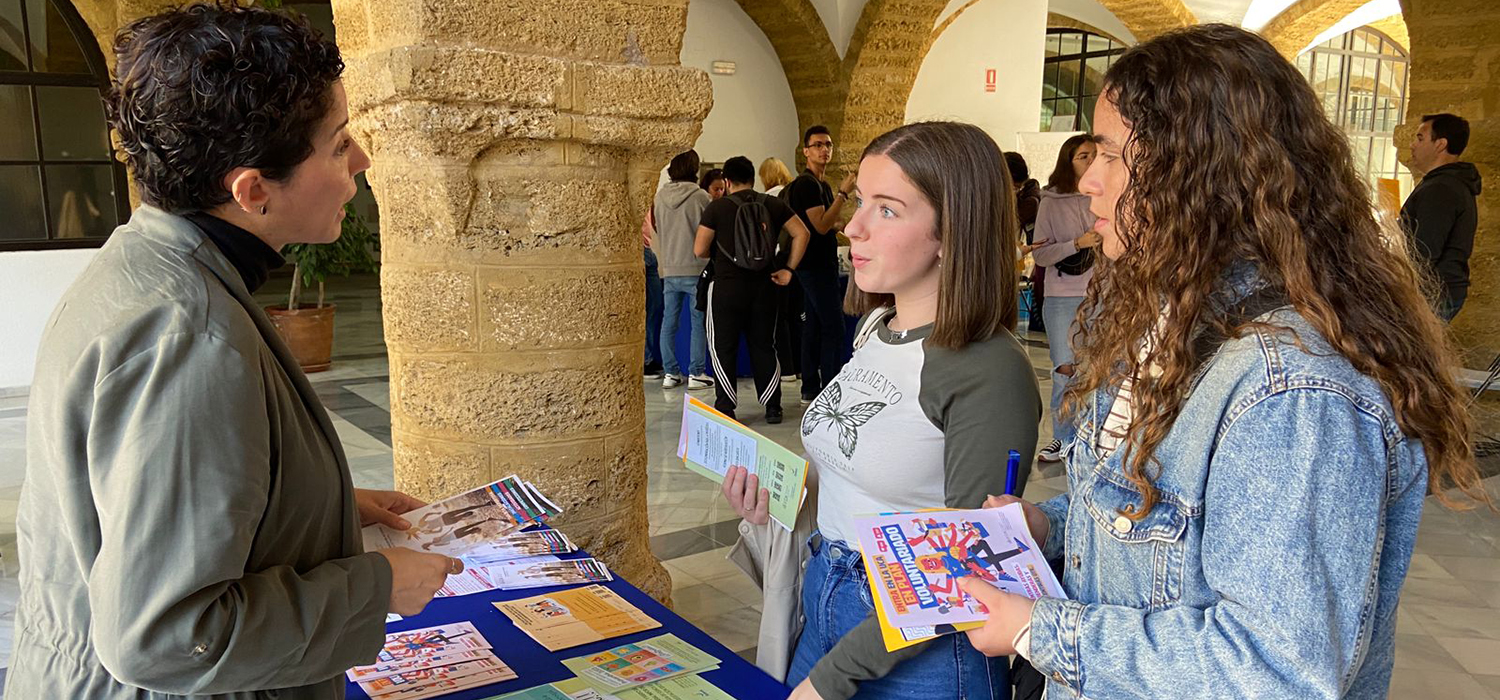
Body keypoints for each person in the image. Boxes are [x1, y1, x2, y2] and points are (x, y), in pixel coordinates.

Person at [958, 25, 1489, 700]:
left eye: (1113, 155)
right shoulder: (1173, 317)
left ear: (1199, 173)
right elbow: (1160, 522)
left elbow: (1276, 668)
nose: (1089, 180)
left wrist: (1039, 631)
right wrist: (1052, 525)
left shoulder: (1293, 389)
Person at [9, 5, 459, 698]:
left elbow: (138, 507)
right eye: (338, 145)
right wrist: (377, 587)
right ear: (252, 191)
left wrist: (319, 508)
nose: (361, 162)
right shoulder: (190, 338)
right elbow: (166, 636)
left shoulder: (145, 260)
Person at [722, 122, 1042, 700]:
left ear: (954, 230)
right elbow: (859, 465)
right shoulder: (876, 327)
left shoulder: (988, 368)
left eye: (887, 210)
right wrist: (779, 495)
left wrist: (829, 681)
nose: (854, 227)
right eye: (862, 202)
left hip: (923, 650)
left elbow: (962, 564)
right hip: (829, 595)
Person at [696, 156, 810, 422]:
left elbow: (699, 249)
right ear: (752, 178)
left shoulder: (717, 208)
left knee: (723, 347)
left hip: (726, 287)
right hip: (765, 286)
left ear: (727, 181)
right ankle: (773, 407)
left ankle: (726, 407)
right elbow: (802, 233)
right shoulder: (772, 203)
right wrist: (788, 269)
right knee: (765, 345)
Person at [1029, 133, 1098, 463]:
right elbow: (1041, 255)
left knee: (1101, 369)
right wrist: (1078, 243)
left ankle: (1093, 438)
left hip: (1105, 293)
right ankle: (1062, 437)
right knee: (1065, 369)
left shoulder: (1107, 195)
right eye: (1083, 156)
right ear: (1068, 162)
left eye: (1095, 155)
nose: (1091, 161)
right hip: (1063, 295)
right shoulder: (1050, 202)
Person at [787, 125, 858, 404]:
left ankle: (810, 387)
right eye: (817, 145)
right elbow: (819, 225)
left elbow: (829, 222)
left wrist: (838, 222)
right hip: (813, 265)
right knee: (834, 326)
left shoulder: (822, 186)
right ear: (806, 151)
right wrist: (843, 194)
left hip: (821, 263)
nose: (824, 150)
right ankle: (830, 386)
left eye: (827, 144)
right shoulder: (806, 185)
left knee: (815, 326)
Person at [1401, 113, 1481, 321]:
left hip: (1432, 293)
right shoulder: (1446, 182)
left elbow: (1424, 250)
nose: (1412, 145)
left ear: (1440, 144)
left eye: (1420, 138)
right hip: (1439, 290)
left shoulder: (1441, 188)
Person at [653, 150, 715, 390]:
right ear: (694, 168)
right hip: (696, 268)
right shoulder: (701, 197)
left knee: (669, 322)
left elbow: (657, 227)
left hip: (669, 267)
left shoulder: (659, 197)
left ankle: (670, 372)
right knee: (698, 322)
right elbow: (711, 230)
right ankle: (696, 372)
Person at [761, 156, 802, 381]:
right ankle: (800, 365)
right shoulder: (792, 195)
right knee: (797, 315)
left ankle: (786, 368)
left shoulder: (767, 199)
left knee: (779, 317)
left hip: (777, 260)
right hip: (796, 260)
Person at [1006, 151, 1046, 334]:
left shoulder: (1023, 202)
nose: (1014, 192)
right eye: (1013, 187)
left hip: (1007, 271)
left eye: (1017, 188)